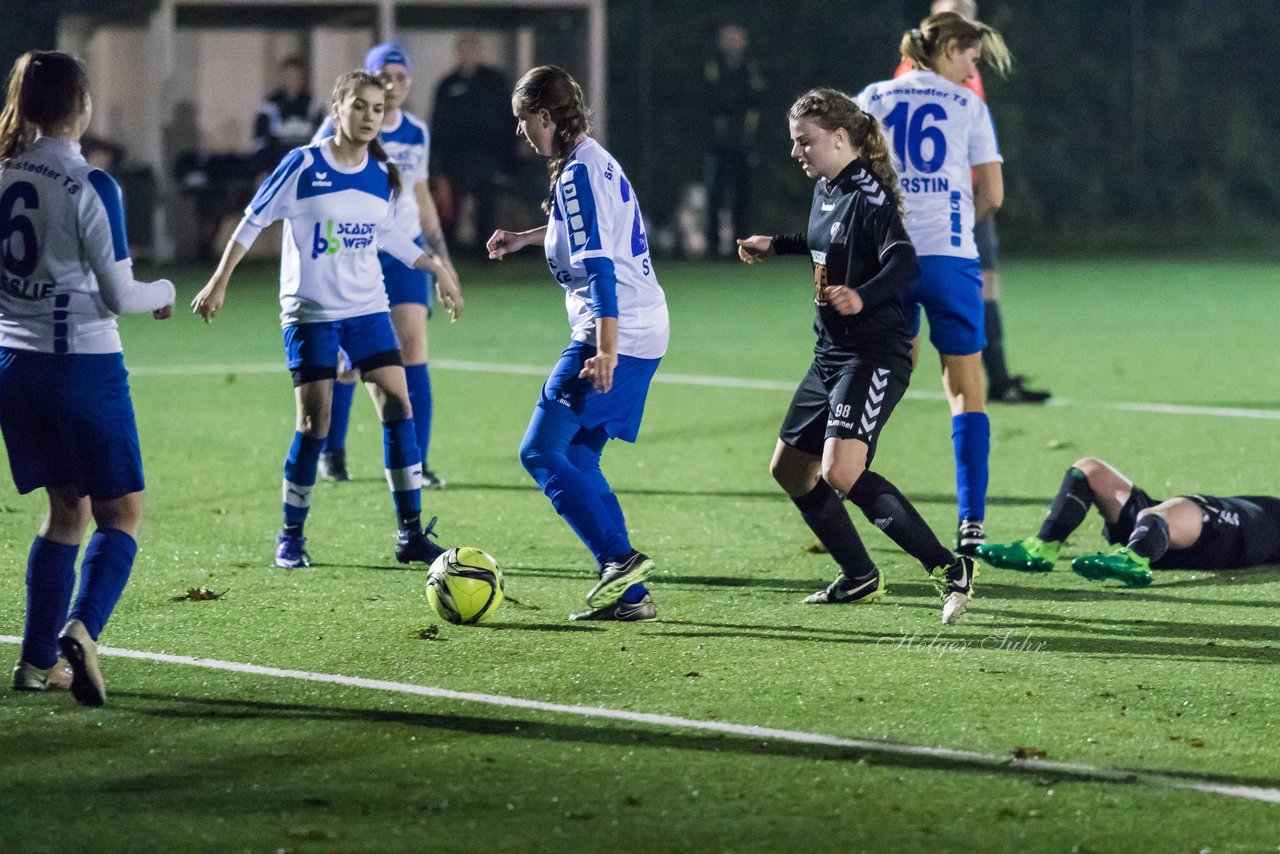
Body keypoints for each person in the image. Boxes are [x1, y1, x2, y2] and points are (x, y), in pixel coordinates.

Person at [191, 69, 462, 570]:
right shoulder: (302, 164)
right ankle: (291, 536)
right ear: (336, 109)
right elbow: (252, 220)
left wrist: (435, 269)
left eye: (376, 109)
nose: (368, 117)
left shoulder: (381, 177)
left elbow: (388, 236)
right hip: (311, 315)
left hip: (366, 310)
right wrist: (218, 280)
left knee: (396, 407)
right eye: (358, 106)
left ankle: (409, 534)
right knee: (315, 424)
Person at [736, 89, 977, 626]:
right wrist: (774, 244)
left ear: (840, 138)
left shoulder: (870, 196)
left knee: (840, 471)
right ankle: (859, 576)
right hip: (831, 354)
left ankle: (948, 568)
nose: (798, 152)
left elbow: (904, 261)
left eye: (807, 142)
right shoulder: (827, 187)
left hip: (874, 355)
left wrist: (863, 294)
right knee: (790, 469)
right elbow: (827, 242)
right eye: (795, 143)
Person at [0, 51, 176, 705]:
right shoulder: (90, 184)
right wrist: (161, 289)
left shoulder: (3, 173)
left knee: (64, 512)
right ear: (81, 105)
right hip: (83, 367)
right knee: (121, 514)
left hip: (14, 367)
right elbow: (117, 292)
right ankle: (83, 627)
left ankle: (36, 662)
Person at [486, 66, 667, 622]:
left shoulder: (576, 176)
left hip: (613, 329)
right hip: (644, 325)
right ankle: (632, 598)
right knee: (579, 457)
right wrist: (526, 237)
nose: (522, 134)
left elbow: (599, 266)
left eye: (524, 122)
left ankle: (620, 559)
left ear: (545, 117)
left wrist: (604, 347)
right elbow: (591, 232)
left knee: (540, 451)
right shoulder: (593, 160)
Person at [856, 11, 1013, 556]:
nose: (974, 69)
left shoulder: (873, 96)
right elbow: (991, 193)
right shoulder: (969, 105)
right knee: (967, 389)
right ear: (948, 48)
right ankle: (972, 522)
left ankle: (850, 484)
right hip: (949, 261)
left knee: (875, 382)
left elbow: (847, 175)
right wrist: (955, 224)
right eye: (971, 56)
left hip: (884, 262)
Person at [315, 44, 459, 489]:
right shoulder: (340, 125)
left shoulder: (417, 132)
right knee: (348, 361)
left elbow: (420, 195)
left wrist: (443, 262)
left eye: (401, 75)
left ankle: (416, 462)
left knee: (413, 346)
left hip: (406, 250)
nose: (394, 83)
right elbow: (319, 191)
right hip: (356, 251)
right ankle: (332, 452)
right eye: (385, 75)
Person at [893, 0, 1049, 405]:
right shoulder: (918, 73)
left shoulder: (966, 67)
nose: (967, 18)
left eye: (970, 10)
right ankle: (877, 390)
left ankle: (998, 379)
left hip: (969, 197)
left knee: (986, 288)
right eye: (958, 11)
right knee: (937, 298)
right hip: (939, 209)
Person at [977, 458, 1280, 587]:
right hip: (1182, 528)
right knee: (1088, 469)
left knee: (1165, 513)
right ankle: (1043, 546)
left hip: (1238, 533)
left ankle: (1136, 558)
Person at [431, 32, 512, 254]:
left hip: (487, 154)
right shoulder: (448, 83)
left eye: (472, 48)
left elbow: (507, 116)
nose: (468, 54)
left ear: (480, 51)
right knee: (451, 206)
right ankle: (448, 252)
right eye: (463, 49)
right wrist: (438, 159)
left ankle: (487, 252)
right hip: (455, 156)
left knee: (486, 205)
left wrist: (508, 153)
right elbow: (438, 122)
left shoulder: (494, 81)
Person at [703, 23, 765, 259]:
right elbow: (709, 101)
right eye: (727, 38)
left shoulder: (750, 69)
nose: (732, 43)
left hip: (743, 143)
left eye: (736, 38)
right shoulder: (712, 68)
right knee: (715, 197)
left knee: (743, 197)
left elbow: (756, 101)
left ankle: (743, 248)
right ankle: (713, 249)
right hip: (717, 144)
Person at [252, 57, 324, 176]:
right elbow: (260, 142)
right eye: (288, 76)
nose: (292, 81)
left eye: (297, 76)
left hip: (306, 169)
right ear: (281, 77)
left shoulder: (313, 106)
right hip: (277, 168)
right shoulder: (269, 106)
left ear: (303, 79)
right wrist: (262, 170)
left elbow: (321, 140)